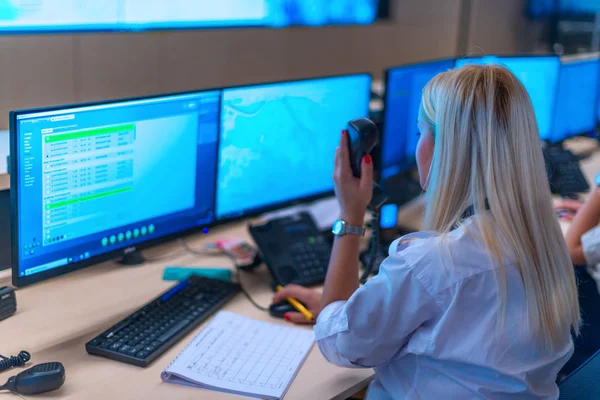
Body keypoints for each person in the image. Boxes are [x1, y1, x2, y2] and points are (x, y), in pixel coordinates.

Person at [273, 65, 580, 399]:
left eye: (421, 133)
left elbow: (341, 345)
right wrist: (351, 308)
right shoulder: (543, 243)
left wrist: (350, 213)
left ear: (448, 148)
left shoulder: (433, 264)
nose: (418, 146)